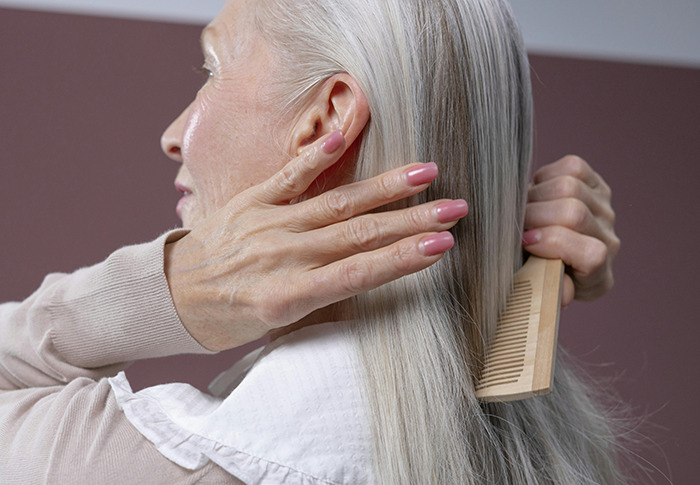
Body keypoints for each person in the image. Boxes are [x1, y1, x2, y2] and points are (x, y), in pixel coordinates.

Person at [0, 0, 621, 483]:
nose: (172, 135)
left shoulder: (176, 465)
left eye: (210, 70)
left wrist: (168, 289)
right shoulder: (544, 443)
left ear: (323, 122)